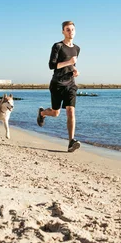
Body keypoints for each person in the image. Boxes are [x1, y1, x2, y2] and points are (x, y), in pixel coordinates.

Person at [37, 21, 81, 152]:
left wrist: (75, 70)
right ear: (63, 31)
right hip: (57, 84)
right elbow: (52, 65)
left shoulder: (77, 48)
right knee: (56, 113)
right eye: (67, 29)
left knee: (70, 111)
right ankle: (42, 113)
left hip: (71, 84)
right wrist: (70, 62)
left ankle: (71, 142)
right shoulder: (57, 46)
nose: (70, 32)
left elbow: (71, 64)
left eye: (72, 29)